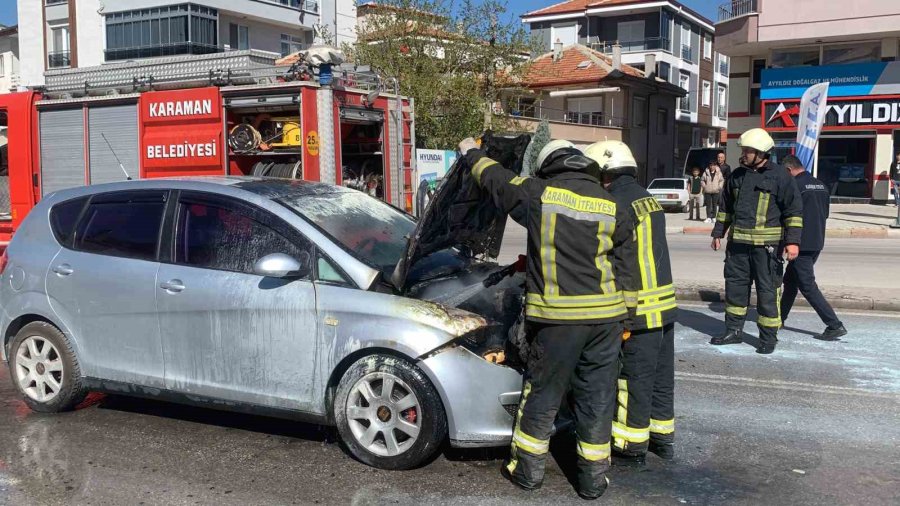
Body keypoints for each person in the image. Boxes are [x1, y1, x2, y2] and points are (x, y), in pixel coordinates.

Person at [457, 136, 637, 499]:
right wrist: (626, 322)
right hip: (606, 322)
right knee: (597, 398)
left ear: (548, 165)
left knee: (542, 394)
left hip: (557, 322)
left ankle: (527, 472)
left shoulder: (538, 193)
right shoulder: (612, 205)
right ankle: (592, 481)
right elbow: (626, 271)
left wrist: (469, 152)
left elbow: (495, 178)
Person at [585, 140, 677, 466]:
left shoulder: (614, 202)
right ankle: (662, 439)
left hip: (638, 311)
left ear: (604, 173)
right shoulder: (647, 199)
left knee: (632, 382)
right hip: (665, 308)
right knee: (661, 380)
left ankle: (630, 446)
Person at [709, 128, 803, 354]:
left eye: (748, 151)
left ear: (762, 153)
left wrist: (793, 242)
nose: (744, 154)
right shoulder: (737, 176)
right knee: (735, 289)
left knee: (767, 291)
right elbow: (726, 208)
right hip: (738, 247)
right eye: (744, 150)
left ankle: (768, 337)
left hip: (767, 248)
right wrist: (718, 233)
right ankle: (733, 330)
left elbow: (793, 211)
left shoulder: (781, 176)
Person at [779, 155, 847, 341]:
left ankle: (834, 325)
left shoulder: (795, 186)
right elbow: (825, 214)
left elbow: (788, 215)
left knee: (807, 286)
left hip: (799, 243)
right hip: (816, 241)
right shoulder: (821, 185)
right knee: (791, 282)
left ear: (788, 170)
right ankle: (779, 318)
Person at [701, 159, 724, 224]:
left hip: (715, 191)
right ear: (709, 166)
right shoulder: (706, 172)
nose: (712, 167)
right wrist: (704, 186)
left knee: (715, 205)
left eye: (713, 165)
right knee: (708, 205)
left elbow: (721, 180)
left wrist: (719, 187)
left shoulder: (718, 172)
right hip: (707, 191)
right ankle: (708, 217)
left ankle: (714, 217)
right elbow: (702, 180)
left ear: (715, 165)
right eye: (710, 165)